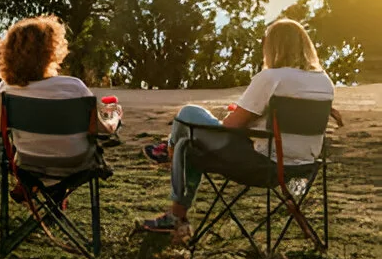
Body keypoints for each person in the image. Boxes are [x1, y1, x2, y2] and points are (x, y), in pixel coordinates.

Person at [139, 18, 338, 235]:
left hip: (264, 165)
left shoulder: (271, 77)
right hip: (304, 167)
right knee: (186, 143)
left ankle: (169, 154)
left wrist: (238, 115)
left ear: (272, 47)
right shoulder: (325, 82)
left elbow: (230, 126)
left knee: (188, 118)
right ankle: (171, 156)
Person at [0, 15, 122, 173]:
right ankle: (56, 194)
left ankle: (44, 192)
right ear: (52, 51)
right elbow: (100, 129)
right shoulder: (74, 86)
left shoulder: (5, 90)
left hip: (29, 161)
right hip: (75, 162)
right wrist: (114, 117)